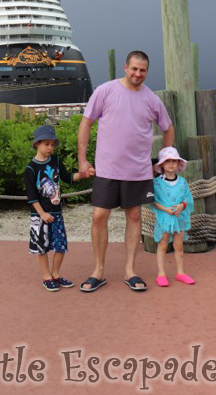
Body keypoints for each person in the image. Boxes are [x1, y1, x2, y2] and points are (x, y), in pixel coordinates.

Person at [78, 50, 175, 292]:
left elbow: (168, 128)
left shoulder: (152, 99)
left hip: (138, 172)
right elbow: (86, 123)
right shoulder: (105, 90)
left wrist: (163, 160)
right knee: (99, 217)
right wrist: (83, 160)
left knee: (134, 217)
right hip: (107, 170)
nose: (137, 74)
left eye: (142, 70)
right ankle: (98, 271)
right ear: (125, 67)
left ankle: (130, 271)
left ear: (147, 72)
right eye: (134, 68)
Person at [25, 125, 94, 292]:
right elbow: (32, 195)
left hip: (57, 213)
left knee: (61, 245)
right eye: (46, 144)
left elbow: (68, 177)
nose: (50, 147)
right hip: (40, 214)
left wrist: (84, 173)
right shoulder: (31, 168)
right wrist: (42, 213)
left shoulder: (56, 161)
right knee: (41, 247)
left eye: (53, 144)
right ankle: (46, 276)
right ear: (37, 144)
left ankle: (56, 274)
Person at [152, 146, 195, 287]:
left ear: (178, 164)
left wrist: (182, 205)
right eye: (167, 161)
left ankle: (180, 272)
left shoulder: (182, 182)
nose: (171, 164)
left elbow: (187, 198)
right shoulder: (157, 183)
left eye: (174, 161)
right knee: (163, 245)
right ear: (162, 164)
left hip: (179, 218)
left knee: (179, 246)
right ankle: (161, 274)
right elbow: (154, 202)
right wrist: (166, 209)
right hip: (165, 219)